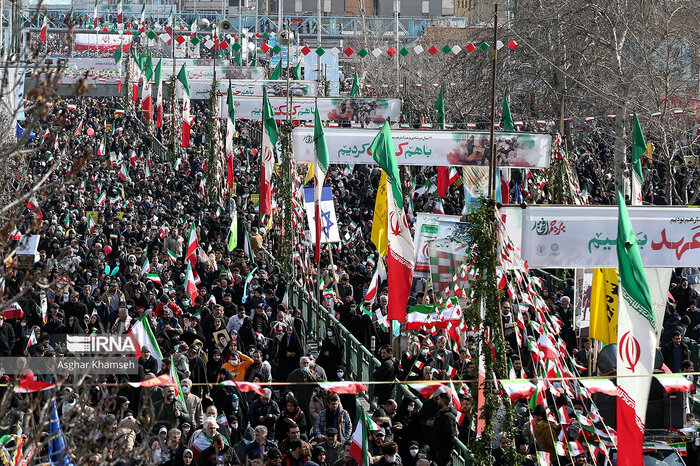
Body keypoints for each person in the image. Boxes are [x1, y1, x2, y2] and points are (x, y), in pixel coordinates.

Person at [427, 393, 457, 466]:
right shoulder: (441, 413)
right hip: (438, 448)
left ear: (443, 401)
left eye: (439, 399)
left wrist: (449, 451)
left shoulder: (447, 416)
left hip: (443, 450)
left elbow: (449, 435)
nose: (438, 401)